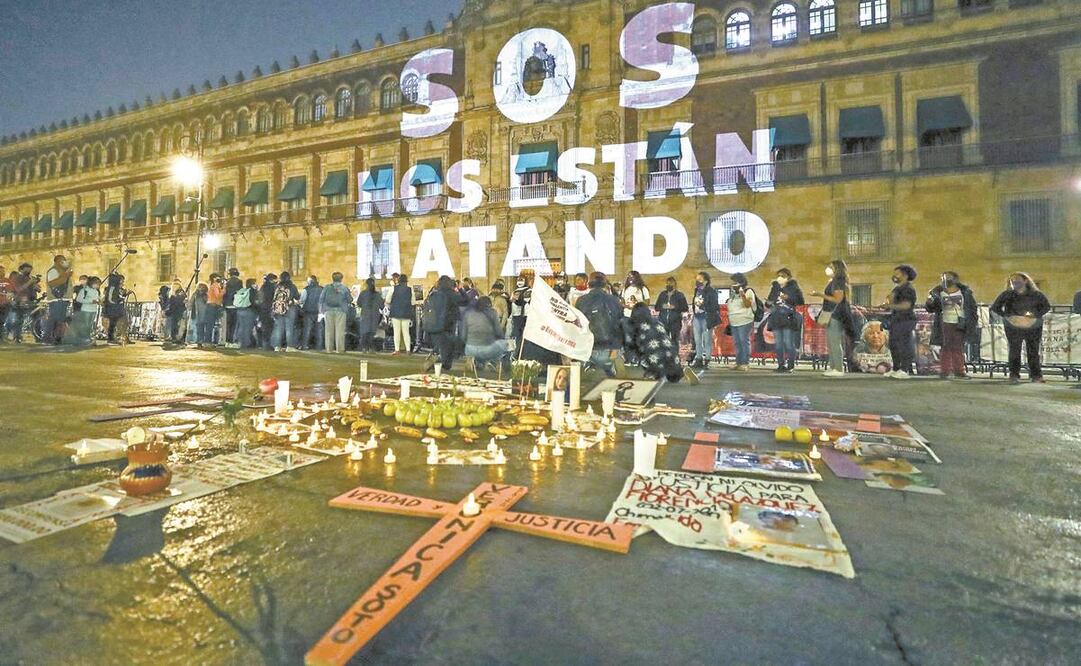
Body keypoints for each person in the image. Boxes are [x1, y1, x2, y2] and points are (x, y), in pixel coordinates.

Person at [990, 272, 1051, 384]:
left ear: (1025, 280)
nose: (1014, 282)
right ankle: (1014, 375)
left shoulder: (1036, 294)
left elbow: (1046, 307)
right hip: (1013, 326)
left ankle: (1036, 375)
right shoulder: (1007, 295)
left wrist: (1035, 315)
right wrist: (1008, 317)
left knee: (1033, 350)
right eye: (1012, 280)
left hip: (1033, 326)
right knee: (1014, 350)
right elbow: (995, 307)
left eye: (1017, 279)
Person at [925, 271, 978, 380]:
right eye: (943, 278)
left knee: (958, 347)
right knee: (945, 347)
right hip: (944, 322)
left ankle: (959, 371)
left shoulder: (965, 292)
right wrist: (929, 302)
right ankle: (944, 371)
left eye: (948, 278)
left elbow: (972, 307)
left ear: (956, 279)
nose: (946, 280)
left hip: (960, 322)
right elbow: (931, 309)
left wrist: (972, 321)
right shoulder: (937, 292)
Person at [577, 271, 623, 377]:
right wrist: (615, 349)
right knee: (611, 387)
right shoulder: (614, 300)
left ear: (588, 284)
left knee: (587, 390)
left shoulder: (581, 301)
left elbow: (577, 326)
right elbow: (619, 325)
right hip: (609, 347)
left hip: (587, 349)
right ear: (605, 284)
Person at [809, 260, 850, 378]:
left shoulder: (838, 282)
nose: (829, 268)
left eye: (832, 267)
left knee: (835, 342)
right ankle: (833, 366)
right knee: (831, 342)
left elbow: (837, 299)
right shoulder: (834, 282)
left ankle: (838, 368)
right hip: (831, 313)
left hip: (835, 314)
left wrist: (820, 295)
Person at [626, 303, 687, 383]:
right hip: (673, 360)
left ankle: (654, 373)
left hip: (655, 362)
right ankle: (675, 373)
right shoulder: (657, 322)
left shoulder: (636, 326)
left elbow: (632, 344)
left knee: (641, 351)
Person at [880, 264, 918, 379]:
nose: (894, 276)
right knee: (894, 344)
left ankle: (904, 369)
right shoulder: (897, 288)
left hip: (906, 320)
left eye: (897, 274)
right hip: (896, 319)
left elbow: (906, 305)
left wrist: (891, 305)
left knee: (903, 345)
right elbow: (891, 301)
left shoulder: (908, 289)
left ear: (905, 275)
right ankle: (896, 368)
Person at [765, 268, 805, 373]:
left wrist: (787, 297)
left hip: (788, 318)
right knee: (778, 343)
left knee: (788, 342)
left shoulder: (793, 287)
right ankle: (780, 364)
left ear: (788, 277)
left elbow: (800, 301)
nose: (779, 278)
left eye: (782, 276)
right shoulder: (775, 287)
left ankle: (790, 365)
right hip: (776, 318)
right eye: (778, 275)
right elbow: (769, 301)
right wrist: (768, 303)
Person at [463, 296, 511, 370]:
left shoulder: (469, 313)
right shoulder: (493, 313)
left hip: (470, 348)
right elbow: (498, 332)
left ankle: (471, 359)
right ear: (490, 304)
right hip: (487, 349)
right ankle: (497, 363)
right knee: (504, 344)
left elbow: (463, 335)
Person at [423, 275, 460, 371]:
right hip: (448, 324)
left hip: (434, 324)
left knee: (440, 343)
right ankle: (444, 363)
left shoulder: (433, 294)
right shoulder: (451, 294)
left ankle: (436, 356)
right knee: (449, 344)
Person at [725, 273, 757, 372]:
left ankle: (745, 363)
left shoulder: (749, 291)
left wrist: (742, 294)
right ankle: (738, 362)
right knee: (737, 343)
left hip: (745, 319)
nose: (733, 284)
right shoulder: (732, 293)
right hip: (734, 320)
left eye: (735, 282)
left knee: (744, 341)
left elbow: (747, 304)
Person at [691, 271, 720, 369]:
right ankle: (698, 359)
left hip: (706, 318)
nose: (698, 281)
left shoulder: (711, 291)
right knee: (697, 340)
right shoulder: (697, 290)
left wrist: (703, 306)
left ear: (706, 281)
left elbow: (714, 306)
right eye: (697, 280)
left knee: (707, 340)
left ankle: (707, 359)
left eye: (700, 280)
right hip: (697, 317)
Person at [319, 272, 352, 353]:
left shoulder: (327, 287)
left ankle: (329, 349)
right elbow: (350, 299)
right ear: (341, 279)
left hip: (328, 310)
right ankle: (339, 349)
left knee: (328, 330)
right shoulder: (344, 288)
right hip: (341, 311)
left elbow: (321, 299)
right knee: (340, 330)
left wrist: (321, 310)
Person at [44, 255, 74, 345]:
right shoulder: (53, 271)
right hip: (56, 299)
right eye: (62, 261)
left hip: (63, 299)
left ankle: (58, 338)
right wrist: (66, 275)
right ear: (57, 262)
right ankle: (49, 338)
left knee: (61, 319)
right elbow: (53, 283)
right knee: (55, 319)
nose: (64, 263)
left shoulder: (62, 271)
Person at [655, 276, 689, 351]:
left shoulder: (680, 295)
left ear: (675, 285)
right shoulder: (662, 294)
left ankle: (675, 357)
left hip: (675, 322)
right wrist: (662, 306)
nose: (669, 285)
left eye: (671, 284)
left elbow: (685, 308)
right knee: (664, 340)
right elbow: (656, 307)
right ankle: (665, 357)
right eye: (667, 284)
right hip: (663, 321)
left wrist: (675, 307)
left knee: (674, 341)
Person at [271, 271, 301, 351]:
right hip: (289, 308)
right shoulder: (292, 286)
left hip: (278, 309)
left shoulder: (277, 286)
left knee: (279, 328)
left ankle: (277, 346)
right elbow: (297, 297)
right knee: (289, 328)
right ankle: (289, 346)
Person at [6, 264, 35, 342]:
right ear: (21, 269)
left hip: (25, 301)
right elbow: (18, 289)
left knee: (21, 319)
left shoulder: (27, 278)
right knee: (16, 319)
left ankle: (17, 336)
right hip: (18, 301)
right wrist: (30, 282)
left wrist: (34, 286)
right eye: (27, 269)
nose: (29, 271)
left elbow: (28, 289)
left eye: (30, 270)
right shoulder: (16, 278)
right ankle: (13, 335)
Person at [356, 277, 385, 352]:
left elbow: (359, 303)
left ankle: (364, 348)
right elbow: (382, 306)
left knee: (364, 332)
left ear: (366, 284)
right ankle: (371, 348)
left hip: (365, 314)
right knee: (372, 332)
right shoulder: (378, 294)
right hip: (375, 315)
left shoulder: (363, 293)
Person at [70, 276, 101, 345]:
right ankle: (83, 338)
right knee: (85, 325)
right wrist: (90, 301)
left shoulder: (96, 291)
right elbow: (79, 299)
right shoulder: (84, 290)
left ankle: (87, 337)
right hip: (86, 310)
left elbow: (98, 298)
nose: (98, 285)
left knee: (90, 325)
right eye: (97, 283)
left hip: (93, 310)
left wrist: (99, 301)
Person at [388, 273, 414, 355]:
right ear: (406, 281)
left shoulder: (393, 289)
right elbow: (413, 302)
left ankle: (397, 350)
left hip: (395, 312)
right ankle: (408, 350)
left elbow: (388, 300)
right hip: (406, 313)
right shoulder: (410, 289)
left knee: (396, 332)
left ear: (398, 281)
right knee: (406, 332)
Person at [102, 273, 129, 344]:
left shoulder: (116, 288)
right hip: (112, 309)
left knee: (115, 324)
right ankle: (111, 338)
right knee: (112, 324)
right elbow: (111, 299)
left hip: (116, 309)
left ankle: (115, 337)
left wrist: (124, 295)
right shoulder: (112, 288)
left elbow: (118, 296)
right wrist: (120, 299)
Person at [233, 278, 259, 349]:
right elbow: (254, 302)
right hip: (249, 311)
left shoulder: (242, 290)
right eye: (254, 283)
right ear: (252, 284)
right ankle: (246, 343)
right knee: (248, 328)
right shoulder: (252, 291)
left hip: (240, 310)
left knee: (241, 327)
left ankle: (240, 342)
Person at [510, 274, 531, 349]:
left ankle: (522, 350)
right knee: (517, 334)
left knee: (523, 334)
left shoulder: (529, 290)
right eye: (518, 280)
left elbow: (524, 301)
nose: (519, 282)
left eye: (521, 280)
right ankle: (517, 349)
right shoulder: (514, 291)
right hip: (515, 315)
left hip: (524, 315)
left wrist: (516, 300)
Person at [223, 268, 243, 347]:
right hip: (235, 305)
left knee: (228, 324)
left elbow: (225, 293)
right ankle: (233, 341)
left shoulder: (227, 282)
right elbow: (240, 293)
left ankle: (227, 341)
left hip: (228, 305)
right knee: (234, 324)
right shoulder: (239, 282)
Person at [258, 273, 278, 350]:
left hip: (262, 309)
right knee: (269, 328)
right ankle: (267, 345)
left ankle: (264, 344)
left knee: (264, 327)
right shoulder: (272, 287)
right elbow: (272, 299)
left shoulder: (263, 287)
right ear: (271, 280)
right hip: (269, 309)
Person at [205, 273, 225, 346]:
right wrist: (223, 290)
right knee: (210, 324)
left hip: (212, 306)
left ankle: (208, 341)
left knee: (211, 324)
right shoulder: (215, 285)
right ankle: (208, 341)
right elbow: (218, 296)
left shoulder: (213, 285)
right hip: (212, 306)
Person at [190, 282, 212, 348]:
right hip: (198, 313)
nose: (201, 289)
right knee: (199, 328)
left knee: (205, 328)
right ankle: (200, 341)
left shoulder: (206, 295)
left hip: (205, 313)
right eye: (199, 287)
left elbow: (208, 302)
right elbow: (191, 302)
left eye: (202, 287)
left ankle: (204, 341)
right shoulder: (195, 295)